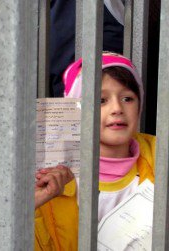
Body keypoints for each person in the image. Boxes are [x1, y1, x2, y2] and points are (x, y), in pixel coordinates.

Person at [34, 52, 156, 250]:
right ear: (76, 110)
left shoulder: (161, 157)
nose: (117, 108)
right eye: (101, 100)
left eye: (127, 98)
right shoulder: (50, 180)